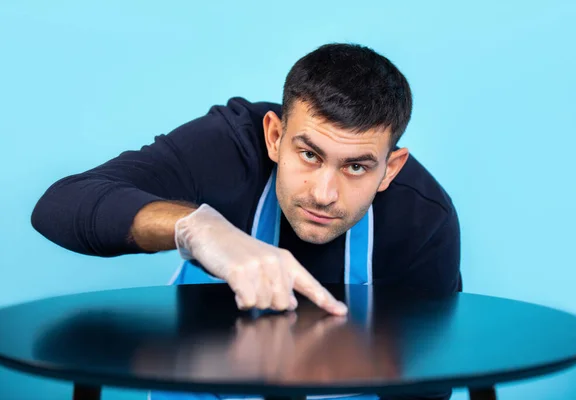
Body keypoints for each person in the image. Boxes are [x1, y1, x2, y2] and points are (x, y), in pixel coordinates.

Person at [31, 43, 460, 400]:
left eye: (356, 168)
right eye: (309, 155)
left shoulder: (425, 222)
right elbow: (61, 204)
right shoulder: (226, 147)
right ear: (274, 136)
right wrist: (195, 229)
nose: (324, 193)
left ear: (390, 169)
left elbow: (426, 385)